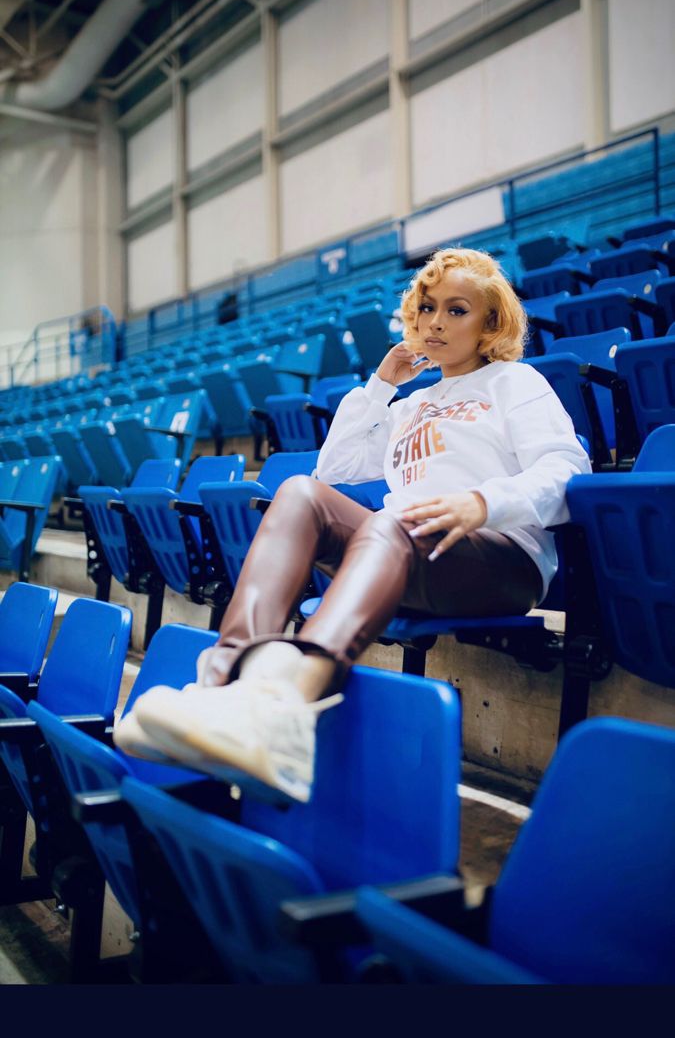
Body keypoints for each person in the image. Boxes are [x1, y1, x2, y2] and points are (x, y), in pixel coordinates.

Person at [115, 247, 591, 801]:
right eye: (428, 307)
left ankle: (290, 708)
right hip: (408, 551)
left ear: (491, 322)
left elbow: (566, 468)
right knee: (299, 494)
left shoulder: (515, 382)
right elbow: (334, 469)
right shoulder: (413, 405)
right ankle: (223, 683)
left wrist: (482, 503)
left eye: (457, 310)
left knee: (391, 523)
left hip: (498, 559)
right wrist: (382, 385)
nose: (436, 322)